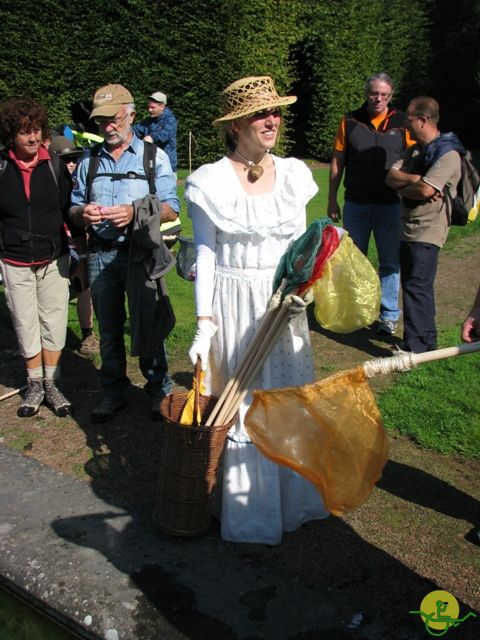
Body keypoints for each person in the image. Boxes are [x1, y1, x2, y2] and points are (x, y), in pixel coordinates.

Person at [184, 75, 329, 545]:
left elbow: (302, 248)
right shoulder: (210, 180)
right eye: (260, 114)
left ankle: (292, 503)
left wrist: (304, 287)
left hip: (281, 304)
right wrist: (204, 323)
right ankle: (248, 512)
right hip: (234, 303)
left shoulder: (293, 175)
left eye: (276, 112)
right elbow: (205, 254)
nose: (272, 121)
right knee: (240, 403)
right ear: (236, 126)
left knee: (283, 396)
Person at [69, 84, 180, 423]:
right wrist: (81, 214)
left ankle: (159, 388)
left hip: (140, 255)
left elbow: (172, 209)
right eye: (101, 121)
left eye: (114, 119)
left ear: (131, 115)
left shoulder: (153, 157)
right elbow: (72, 209)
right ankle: (113, 391)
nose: (108, 127)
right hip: (101, 254)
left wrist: (135, 212)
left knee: (149, 322)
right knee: (109, 329)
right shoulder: (87, 161)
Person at [0, 99, 82, 417]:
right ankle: (34, 383)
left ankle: (52, 383)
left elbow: (68, 211)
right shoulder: (3, 167)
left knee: (54, 321)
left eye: (36, 130)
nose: (33, 138)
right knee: (25, 322)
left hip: (53, 258)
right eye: (24, 132)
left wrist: (82, 253)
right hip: (14, 259)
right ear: (11, 135)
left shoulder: (55, 165)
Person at [327, 72, 412, 336]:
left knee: (390, 262)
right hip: (356, 204)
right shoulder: (350, 121)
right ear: (366, 93)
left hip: (391, 205)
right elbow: (337, 160)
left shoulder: (402, 122)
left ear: (391, 96)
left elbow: (416, 156)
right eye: (374, 93)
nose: (378, 98)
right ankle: (359, 311)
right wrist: (332, 198)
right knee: (355, 261)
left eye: (384, 94)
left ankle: (388, 315)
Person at [386, 97, 462, 353]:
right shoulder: (415, 150)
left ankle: (417, 348)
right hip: (408, 227)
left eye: (409, 118)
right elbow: (391, 177)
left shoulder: (448, 154)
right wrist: (417, 178)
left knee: (417, 286)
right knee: (414, 285)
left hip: (429, 230)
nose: (405, 123)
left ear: (423, 120)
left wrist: (415, 185)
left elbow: (424, 190)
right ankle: (424, 343)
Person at [49, 136, 99, 357]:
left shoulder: (82, 184)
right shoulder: (47, 183)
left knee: (84, 287)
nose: (71, 164)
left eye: (74, 160)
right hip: (55, 246)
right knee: (55, 294)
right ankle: (51, 340)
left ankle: (88, 334)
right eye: (65, 160)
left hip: (79, 243)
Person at [133, 91, 177, 173]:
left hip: (167, 166)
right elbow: (136, 130)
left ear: (162, 107)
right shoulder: (149, 121)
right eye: (149, 107)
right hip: (150, 163)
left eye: (153, 107)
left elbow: (164, 136)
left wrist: (151, 137)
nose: (149, 110)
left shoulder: (171, 120)